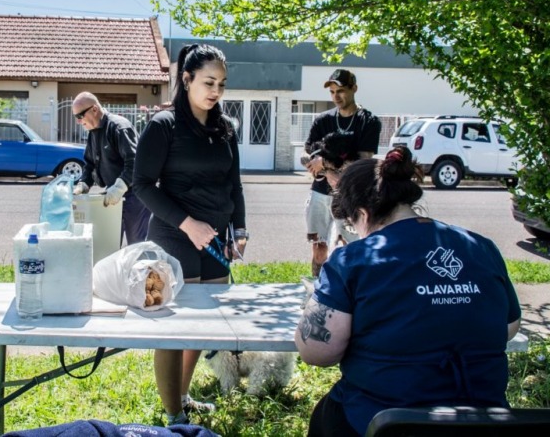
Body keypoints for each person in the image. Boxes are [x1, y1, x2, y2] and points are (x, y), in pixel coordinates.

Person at [296, 147, 521, 436]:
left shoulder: (353, 260)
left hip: (388, 419)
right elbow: (509, 326)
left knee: (327, 415)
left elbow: (316, 352)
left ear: (362, 214)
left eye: (352, 225)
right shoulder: (480, 246)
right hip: (483, 419)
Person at [134, 44, 247, 426]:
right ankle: (173, 417)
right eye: (209, 82)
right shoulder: (163, 126)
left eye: (222, 84)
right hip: (173, 236)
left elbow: (235, 184)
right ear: (187, 79)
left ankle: (182, 397)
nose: (216, 91)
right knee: (175, 328)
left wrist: (239, 230)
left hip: (213, 240)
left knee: (201, 325)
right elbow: (143, 185)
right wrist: (187, 224)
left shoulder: (225, 128)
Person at [302, 69, 381, 277]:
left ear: (354, 89)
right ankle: (318, 291)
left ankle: (349, 297)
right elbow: (307, 154)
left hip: (351, 196)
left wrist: (325, 164)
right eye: (333, 92)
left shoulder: (368, 121)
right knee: (318, 248)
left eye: (341, 91)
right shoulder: (323, 120)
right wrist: (326, 170)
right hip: (320, 193)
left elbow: (363, 162)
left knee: (350, 249)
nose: (336, 97)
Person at [71, 91, 150, 245]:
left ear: (94, 109)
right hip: (113, 193)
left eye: (80, 116)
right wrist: (84, 184)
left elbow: (135, 162)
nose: (79, 122)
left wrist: (119, 187)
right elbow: (90, 163)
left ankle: (142, 269)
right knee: (111, 242)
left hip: (135, 195)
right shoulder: (93, 131)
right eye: (76, 118)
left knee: (136, 244)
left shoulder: (119, 127)